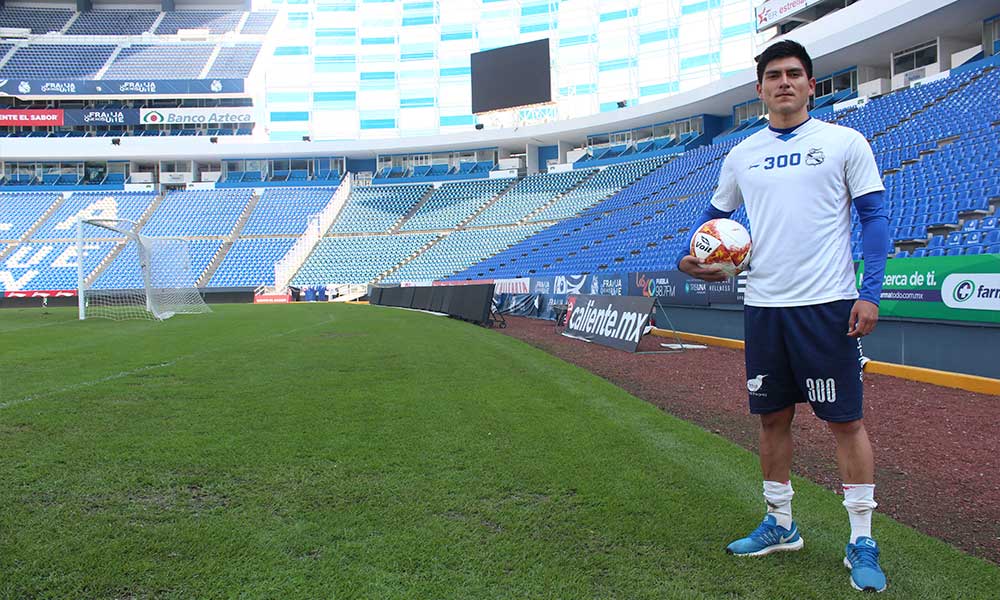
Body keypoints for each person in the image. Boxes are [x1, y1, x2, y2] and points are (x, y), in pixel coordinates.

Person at [678, 40, 890, 593]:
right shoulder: (741, 154)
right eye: (774, 75)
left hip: (828, 305)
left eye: (795, 74)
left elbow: (874, 218)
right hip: (765, 306)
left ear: (811, 85)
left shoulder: (845, 142)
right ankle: (780, 524)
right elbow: (712, 222)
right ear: (760, 90)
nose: (785, 82)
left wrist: (871, 291)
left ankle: (861, 538)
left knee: (844, 421)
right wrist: (692, 259)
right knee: (772, 419)